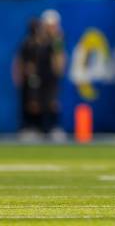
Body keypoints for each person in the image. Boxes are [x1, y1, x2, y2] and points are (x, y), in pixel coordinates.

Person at [37, 9, 66, 140]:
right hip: (39, 75)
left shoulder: (57, 41)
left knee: (53, 102)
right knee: (37, 101)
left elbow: (59, 61)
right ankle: (38, 128)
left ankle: (53, 127)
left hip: (51, 76)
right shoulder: (38, 40)